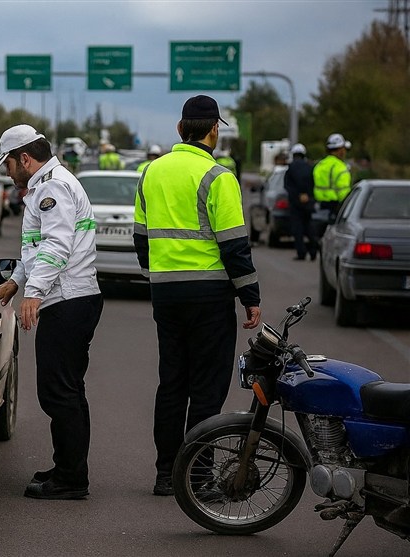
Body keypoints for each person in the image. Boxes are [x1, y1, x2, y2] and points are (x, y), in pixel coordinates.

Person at [132, 95, 261, 496]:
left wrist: (159, 275)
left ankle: (166, 474)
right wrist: (249, 296)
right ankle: (198, 477)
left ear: (178, 129)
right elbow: (234, 245)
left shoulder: (150, 173)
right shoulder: (218, 177)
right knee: (206, 390)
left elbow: (141, 237)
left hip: (166, 295)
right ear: (214, 131)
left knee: (172, 383)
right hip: (208, 296)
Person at [0, 124, 103, 500]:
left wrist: (32, 294)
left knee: (59, 392)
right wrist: (16, 280)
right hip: (72, 298)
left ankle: (71, 479)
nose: (7, 170)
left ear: (25, 158)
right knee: (67, 390)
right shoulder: (47, 184)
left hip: (68, 298)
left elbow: (57, 243)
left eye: (7, 162)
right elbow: (37, 248)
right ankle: (69, 468)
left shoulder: (52, 186)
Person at [284, 143, 318, 261]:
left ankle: (301, 253)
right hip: (308, 202)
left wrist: (297, 196)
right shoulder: (310, 167)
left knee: (297, 229)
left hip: (295, 204)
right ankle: (313, 251)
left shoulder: (291, 168)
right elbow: (314, 183)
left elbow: (287, 186)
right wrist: (308, 196)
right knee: (309, 227)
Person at [313, 133, 352, 223]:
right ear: (340, 150)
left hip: (319, 206)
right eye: (344, 149)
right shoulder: (340, 167)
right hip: (335, 207)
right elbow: (343, 192)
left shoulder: (320, 165)